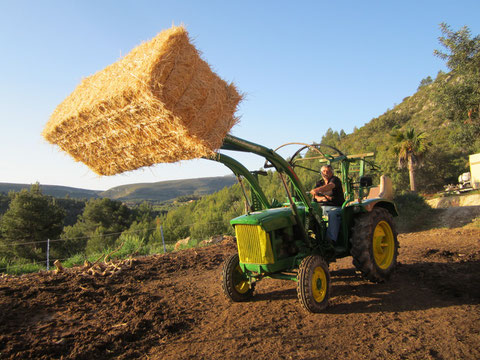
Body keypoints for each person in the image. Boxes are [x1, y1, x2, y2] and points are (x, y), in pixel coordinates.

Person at [309, 164, 345, 244]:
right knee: (309, 214)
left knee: (332, 214)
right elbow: (315, 196)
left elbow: (330, 186)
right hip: (322, 207)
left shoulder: (335, 180)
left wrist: (318, 190)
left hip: (336, 206)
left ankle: (330, 240)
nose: (325, 173)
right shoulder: (319, 182)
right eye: (324, 171)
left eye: (328, 171)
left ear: (331, 172)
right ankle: (314, 239)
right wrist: (321, 198)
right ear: (321, 173)